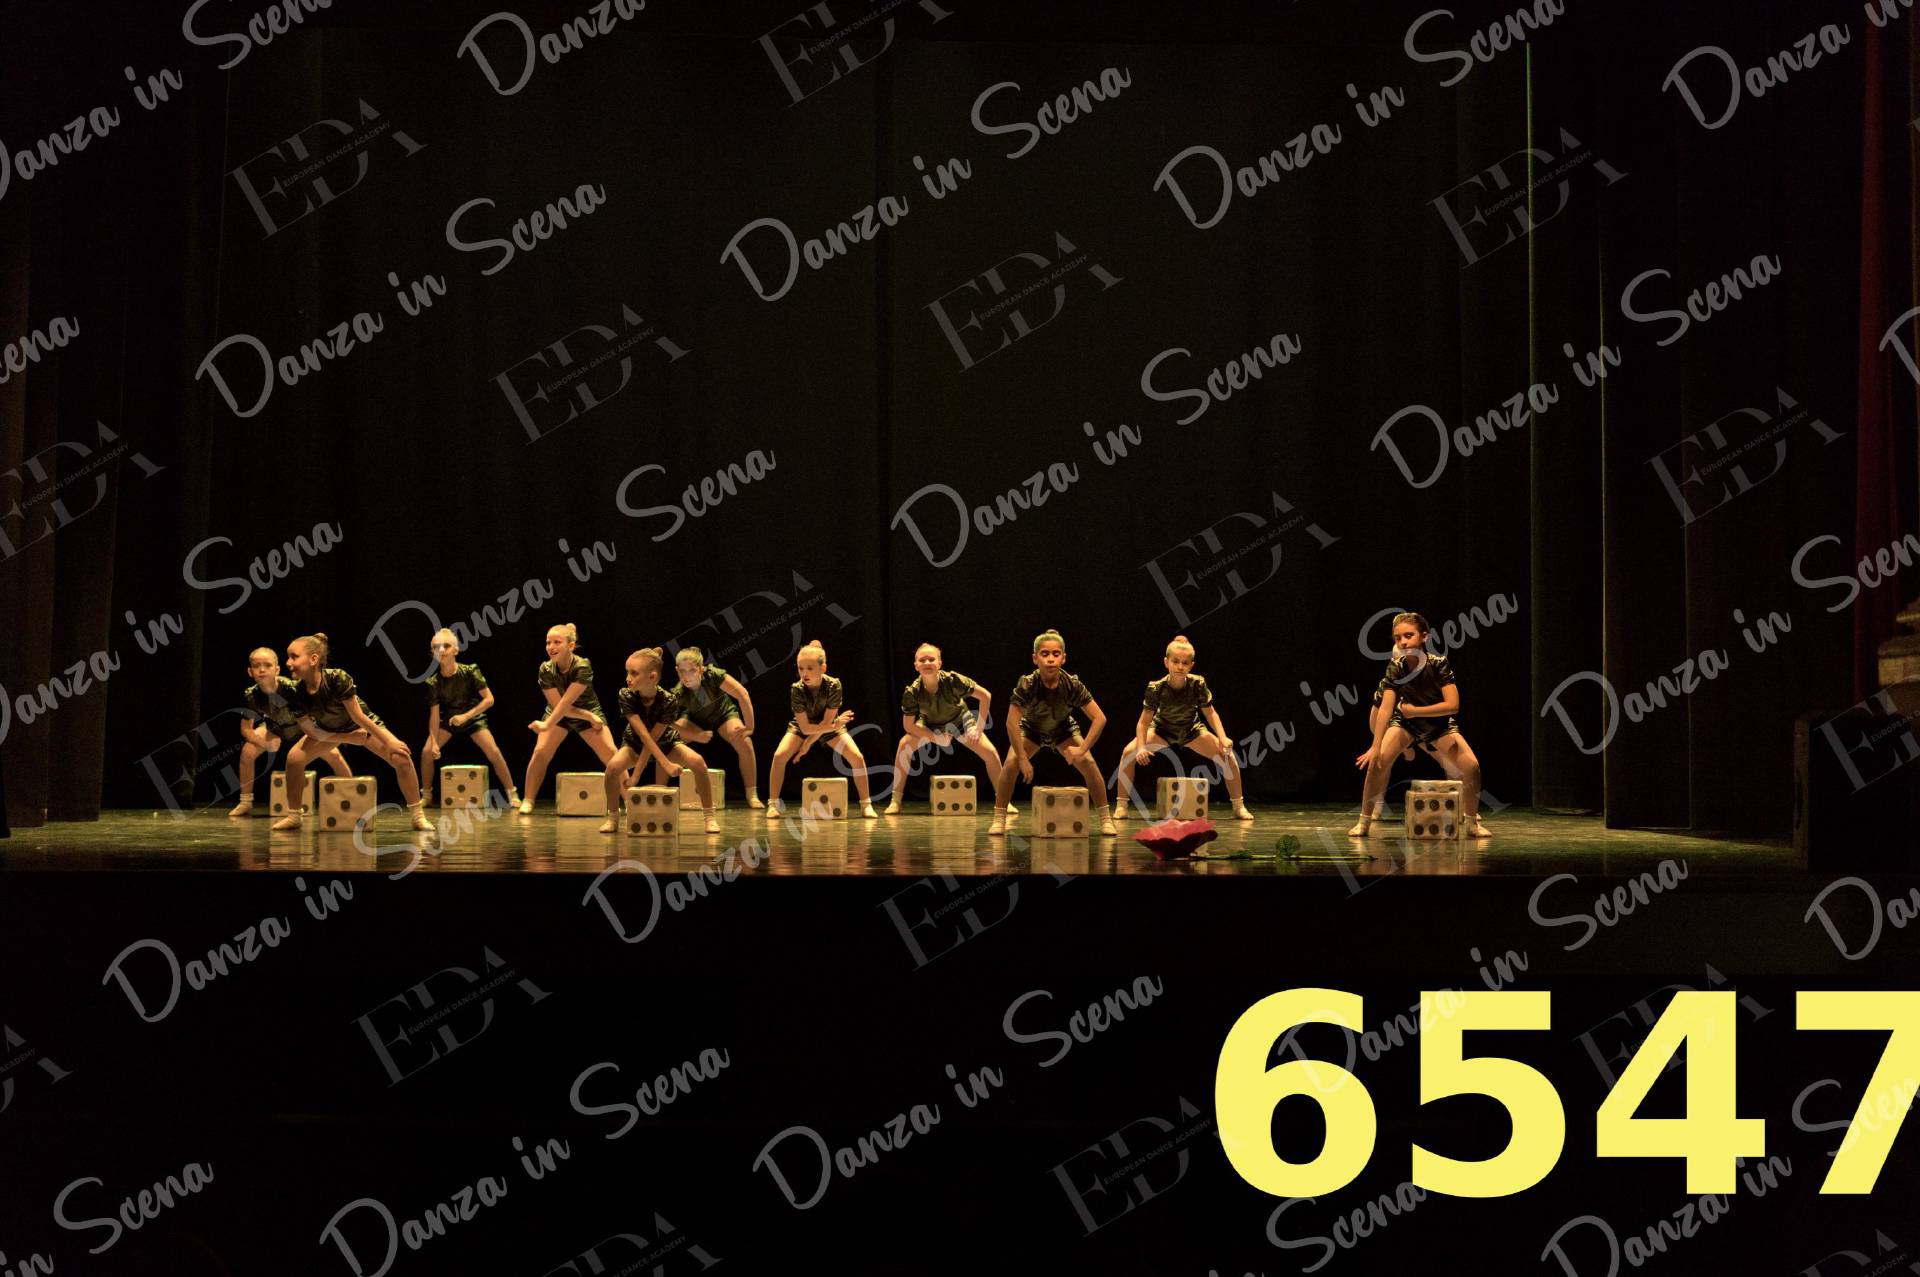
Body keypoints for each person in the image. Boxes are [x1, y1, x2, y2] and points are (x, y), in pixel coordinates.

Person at [271, 633, 431, 832]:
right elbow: (312, 732)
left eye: (294, 657)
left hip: (359, 725)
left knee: (400, 757)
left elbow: (358, 717)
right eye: (288, 657)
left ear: (313, 659)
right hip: (327, 731)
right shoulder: (295, 692)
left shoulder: (337, 678)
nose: (288, 662)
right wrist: (348, 738)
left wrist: (388, 741)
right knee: (294, 759)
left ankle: (418, 815)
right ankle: (294, 815)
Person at [1350, 611, 1490, 838]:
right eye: (1398, 638)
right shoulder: (1396, 667)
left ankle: (1472, 821)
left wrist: (1416, 711)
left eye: (1409, 635)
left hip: (1437, 724)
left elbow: (1452, 705)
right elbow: (1385, 708)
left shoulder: (1438, 664)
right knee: (1377, 762)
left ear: (1424, 636)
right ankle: (1364, 821)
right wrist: (1375, 745)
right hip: (1405, 723)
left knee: (1471, 766)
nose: (1403, 642)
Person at [1112, 635, 1254, 822]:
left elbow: (1211, 713)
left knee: (1228, 756)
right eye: (1175, 661)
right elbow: (1143, 723)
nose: (1180, 666)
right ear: (1166, 662)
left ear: (1191, 665)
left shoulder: (1197, 684)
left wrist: (1222, 737)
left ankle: (1239, 806)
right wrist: (1141, 747)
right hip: (1162, 729)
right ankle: (1121, 806)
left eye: (1185, 663)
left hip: (1191, 730)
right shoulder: (1156, 688)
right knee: (1128, 753)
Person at [987, 628, 1114, 838]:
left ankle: (1105, 818)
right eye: (1044, 654)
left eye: (1056, 654)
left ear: (1063, 658)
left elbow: (1100, 718)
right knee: (1011, 763)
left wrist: (1082, 749)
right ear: (1035, 658)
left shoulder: (1071, 684)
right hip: (1032, 729)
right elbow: (1011, 722)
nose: (1050, 659)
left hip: (1062, 728)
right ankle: (999, 818)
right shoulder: (1028, 684)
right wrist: (1022, 758)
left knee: (1089, 763)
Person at [884, 642, 1015, 817]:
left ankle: (1004, 801)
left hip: (959, 721)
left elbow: (985, 696)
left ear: (939, 663)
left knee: (990, 752)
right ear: (916, 665)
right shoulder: (912, 691)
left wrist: (978, 727)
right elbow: (908, 726)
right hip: (930, 724)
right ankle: (895, 800)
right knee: (904, 745)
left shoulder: (952, 680)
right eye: (922, 660)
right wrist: (935, 738)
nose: (927, 662)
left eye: (931, 659)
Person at [600, 647, 719, 835]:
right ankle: (613, 817)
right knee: (612, 768)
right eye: (627, 672)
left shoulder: (668, 701)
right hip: (635, 744)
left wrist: (646, 771)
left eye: (634, 673)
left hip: (666, 744)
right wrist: (641, 773)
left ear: (652, 677)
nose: (628, 678)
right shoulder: (626, 695)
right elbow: (643, 735)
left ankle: (710, 817)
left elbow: (654, 738)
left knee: (698, 763)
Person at [228, 646, 350, 817]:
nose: (262, 670)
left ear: (277, 670)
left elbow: (315, 711)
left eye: (267, 665)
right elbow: (246, 729)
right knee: (248, 752)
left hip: (303, 728)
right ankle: (245, 802)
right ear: (250, 671)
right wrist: (263, 743)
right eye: (256, 666)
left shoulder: (291, 688)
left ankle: (349, 796)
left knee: (334, 755)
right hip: (275, 728)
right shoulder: (251, 695)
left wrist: (328, 732)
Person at [765, 639, 878, 819]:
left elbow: (826, 722)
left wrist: (808, 744)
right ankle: (772, 804)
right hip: (811, 725)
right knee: (779, 755)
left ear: (823, 668)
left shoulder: (834, 685)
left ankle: (866, 804)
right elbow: (804, 727)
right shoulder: (797, 689)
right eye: (801, 668)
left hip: (828, 725)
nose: (804, 673)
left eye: (810, 668)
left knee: (857, 757)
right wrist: (821, 733)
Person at [519, 623, 619, 814]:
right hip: (560, 713)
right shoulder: (546, 669)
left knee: (612, 754)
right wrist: (588, 717)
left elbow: (567, 703)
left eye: (557, 642)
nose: (551, 647)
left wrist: (588, 715)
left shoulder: (582, 666)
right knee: (540, 752)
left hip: (586, 707)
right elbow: (559, 706)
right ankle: (528, 799)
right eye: (548, 642)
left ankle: (629, 800)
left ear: (571, 646)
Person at [418, 628, 519, 809]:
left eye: (446, 646)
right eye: (436, 647)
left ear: (456, 650)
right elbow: (434, 715)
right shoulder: (433, 682)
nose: (441, 650)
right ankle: (426, 794)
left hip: (473, 718)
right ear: (432, 652)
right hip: (449, 721)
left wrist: (466, 716)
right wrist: (433, 742)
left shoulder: (470, 671)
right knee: (427, 752)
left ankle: (512, 793)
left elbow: (489, 699)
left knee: (494, 751)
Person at [670, 647, 763, 808]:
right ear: (677, 671)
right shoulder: (679, 692)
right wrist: (694, 735)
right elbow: (668, 722)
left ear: (701, 669)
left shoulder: (713, 675)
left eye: (692, 670)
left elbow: (742, 694)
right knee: (669, 742)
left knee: (744, 741)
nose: (687, 676)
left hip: (723, 715)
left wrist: (749, 726)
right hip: (695, 721)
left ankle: (751, 793)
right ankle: (661, 791)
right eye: (682, 671)